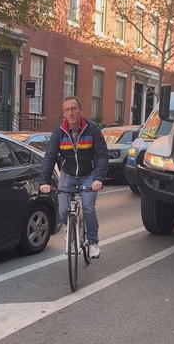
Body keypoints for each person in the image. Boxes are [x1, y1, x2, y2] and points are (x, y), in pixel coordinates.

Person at [39, 96, 109, 258]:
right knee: (63, 211)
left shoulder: (92, 129)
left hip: (88, 174)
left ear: (80, 111)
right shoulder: (59, 131)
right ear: (63, 113)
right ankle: (69, 229)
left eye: (73, 109)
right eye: (66, 110)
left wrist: (98, 178)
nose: (70, 113)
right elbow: (49, 157)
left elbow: (102, 155)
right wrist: (44, 181)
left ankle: (92, 243)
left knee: (88, 209)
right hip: (68, 174)